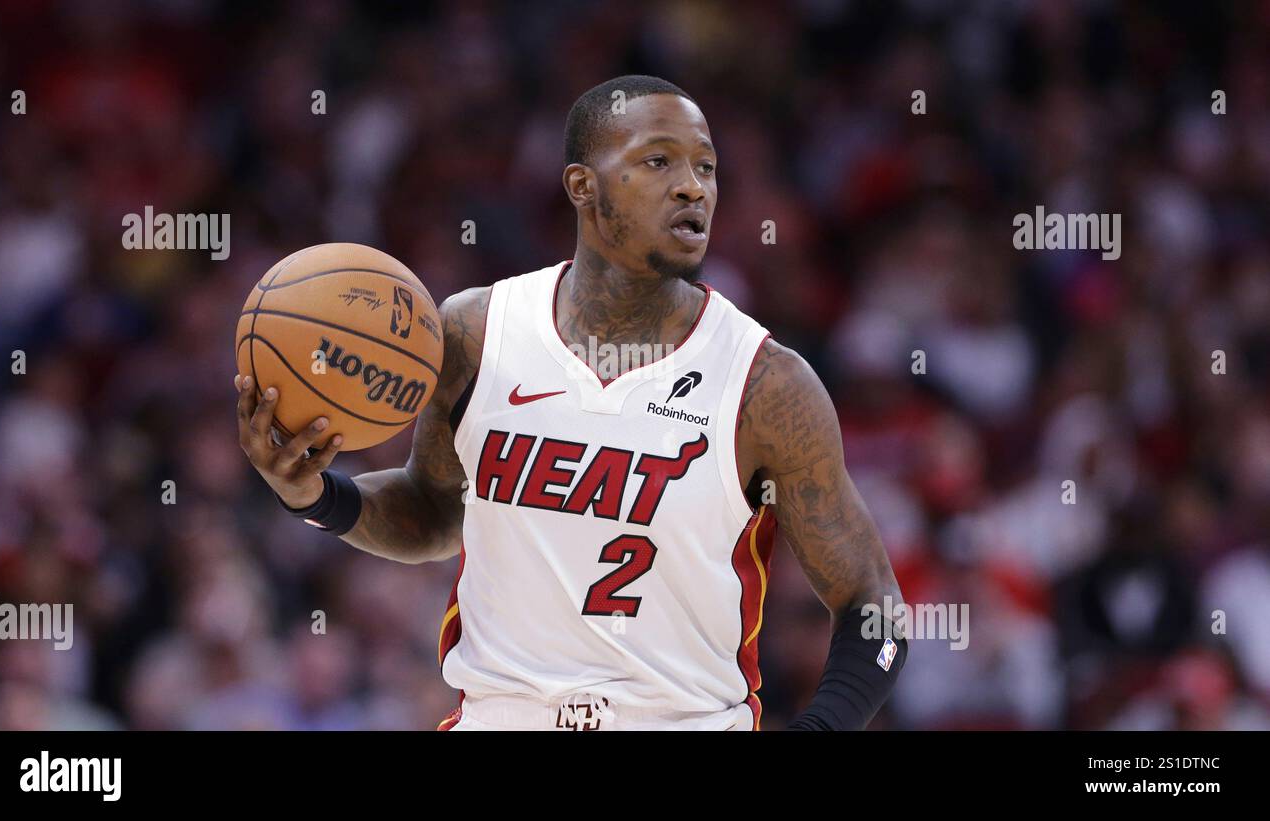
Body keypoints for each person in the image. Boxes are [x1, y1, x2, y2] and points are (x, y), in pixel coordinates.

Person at [235, 75, 907, 730]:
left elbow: (875, 606)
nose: (692, 186)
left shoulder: (765, 384)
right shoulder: (476, 330)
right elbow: (434, 514)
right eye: (658, 160)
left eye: (706, 166)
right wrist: (315, 495)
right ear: (583, 186)